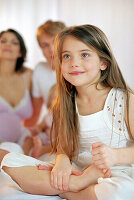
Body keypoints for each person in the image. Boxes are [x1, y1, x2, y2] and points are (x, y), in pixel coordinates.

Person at [1, 24, 134, 200]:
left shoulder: (124, 100)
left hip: (115, 171)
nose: (74, 63)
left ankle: (71, 192)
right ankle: (76, 185)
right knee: (8, 161)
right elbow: (64, 146)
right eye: (66, 56)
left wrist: (115, 155)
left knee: (121, 191)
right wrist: (62, 161)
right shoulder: (63, 103)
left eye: (84, 55)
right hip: (76, 171)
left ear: (103, 62)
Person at [24, 20, 66, 127]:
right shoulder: (40, 70)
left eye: (55, 42)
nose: (52, 49)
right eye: (45, 45)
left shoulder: (78, 70)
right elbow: (35, 114)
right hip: (51, 127)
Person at [0, 29, 33, 153]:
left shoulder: (28, 75)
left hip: (20, 142)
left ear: (20, 52)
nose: (8, 45)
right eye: (3, 41)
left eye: (14, 43)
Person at [30, 84, 57, 158]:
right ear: (50, 100)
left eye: (61, 99)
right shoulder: (50, 114)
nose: (57, 102)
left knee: (58, 144)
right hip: (47, 137)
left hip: (57, 140)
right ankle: (24, 152)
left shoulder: (68, 116)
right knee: (30, 138)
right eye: (54, 98)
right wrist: (36, 129)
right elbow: (41, 126)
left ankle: (41, 150)